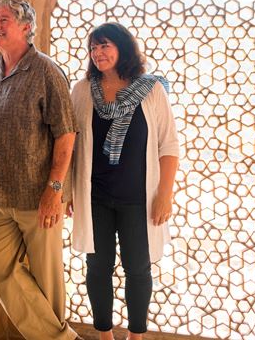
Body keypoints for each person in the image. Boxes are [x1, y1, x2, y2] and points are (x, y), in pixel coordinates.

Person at [0, 0, 79, 340]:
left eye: (3, 20)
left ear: (26, 27)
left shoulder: (47, 71)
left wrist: (55, 190)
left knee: (47, 282)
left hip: (38, 197)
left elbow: (66, 133)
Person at [69, 22, 180, 340]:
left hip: (139, 199)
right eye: (93, 47)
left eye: (105, 45)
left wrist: (164, 195)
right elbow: (70, 142)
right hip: (96, 198)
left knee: (138, 269)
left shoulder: (151, 89)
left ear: (123, 48)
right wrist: (66, 193)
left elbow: (169, 146)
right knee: (97, 267)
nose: (98, 52)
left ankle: (136, 335)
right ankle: (104, 334)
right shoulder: (83, 90)